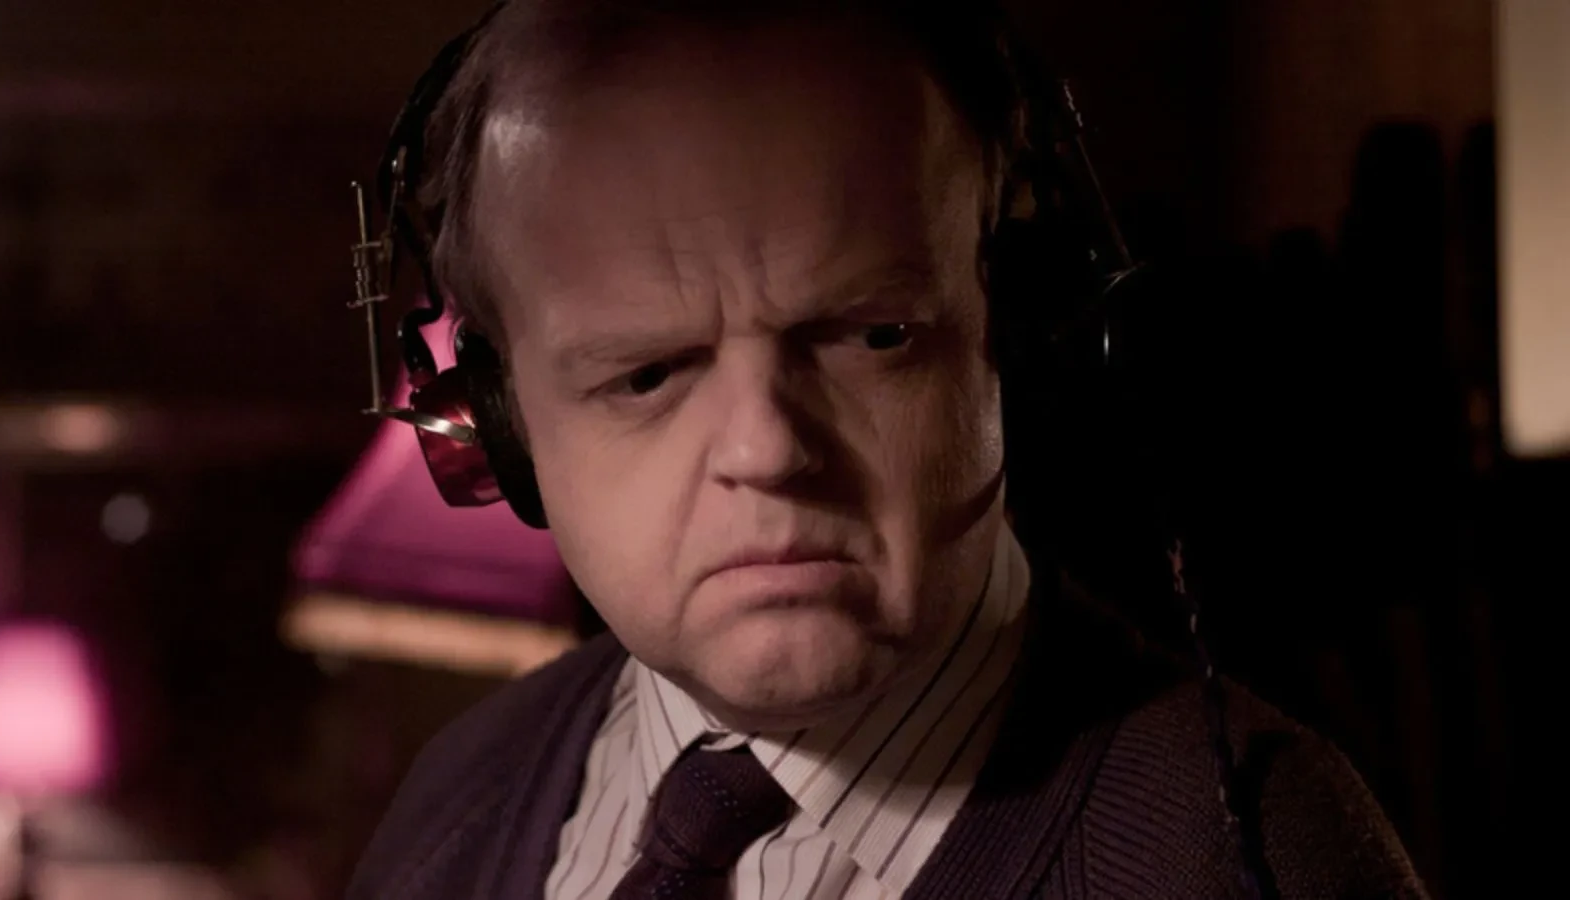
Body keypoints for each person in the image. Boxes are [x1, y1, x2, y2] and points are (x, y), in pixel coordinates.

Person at [347, 0, 1428, 897]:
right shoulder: (453, 806)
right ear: (500, 417)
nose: (767, 451)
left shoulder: (1253, 855)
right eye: (645, 374)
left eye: (872, 336)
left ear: (1016, 337)